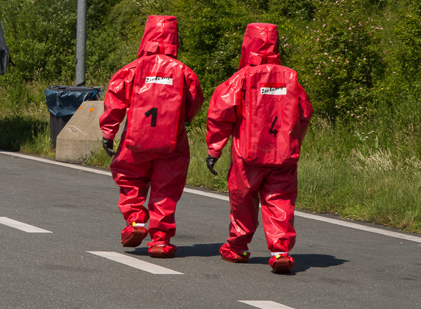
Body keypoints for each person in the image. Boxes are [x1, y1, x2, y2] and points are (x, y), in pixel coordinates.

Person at [205, 23, 313, 274]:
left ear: (247, 44)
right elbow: (304, 113)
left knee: (242, 199)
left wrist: (214, 150)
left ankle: (238, 247)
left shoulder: (241, 78)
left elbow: (220, 114)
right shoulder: (291, 77)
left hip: (247, 155)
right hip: (283, 154)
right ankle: (280, 251)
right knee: (281, 201)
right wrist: (294, 141)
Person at [99, 15, 204, 258]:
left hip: (135, 139)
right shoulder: (185, 72)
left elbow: (114, 102)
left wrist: (108, 132)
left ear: (146, 35)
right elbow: (193, 104)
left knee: (131, 181)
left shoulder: (131, 70)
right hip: (172, 140)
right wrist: (181, 119)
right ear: (174, 38)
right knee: (166, 189)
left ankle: (136, 221)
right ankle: (160, 240)